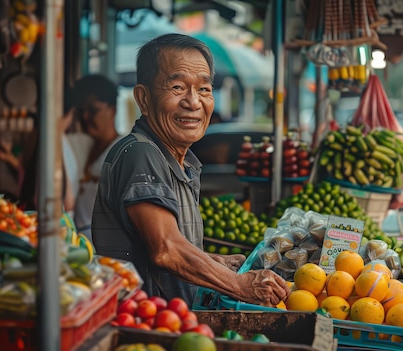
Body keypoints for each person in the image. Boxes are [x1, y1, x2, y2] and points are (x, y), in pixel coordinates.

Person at [91, 33, 289, 307]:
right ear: (143, 98)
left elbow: (159, 248)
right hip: (144, 327)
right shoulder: (141, 153)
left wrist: (213, 262)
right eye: (177, 87)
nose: (194, 102)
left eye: (205, 90)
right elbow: (166, 249)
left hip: (172, 322)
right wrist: (239, 284)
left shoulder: (177, 159)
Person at [67, 75, 123, 241]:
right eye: (81, 111)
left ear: (112, 110)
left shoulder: (123, 152)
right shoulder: (83, 147)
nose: (85, 117)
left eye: (93, 110)